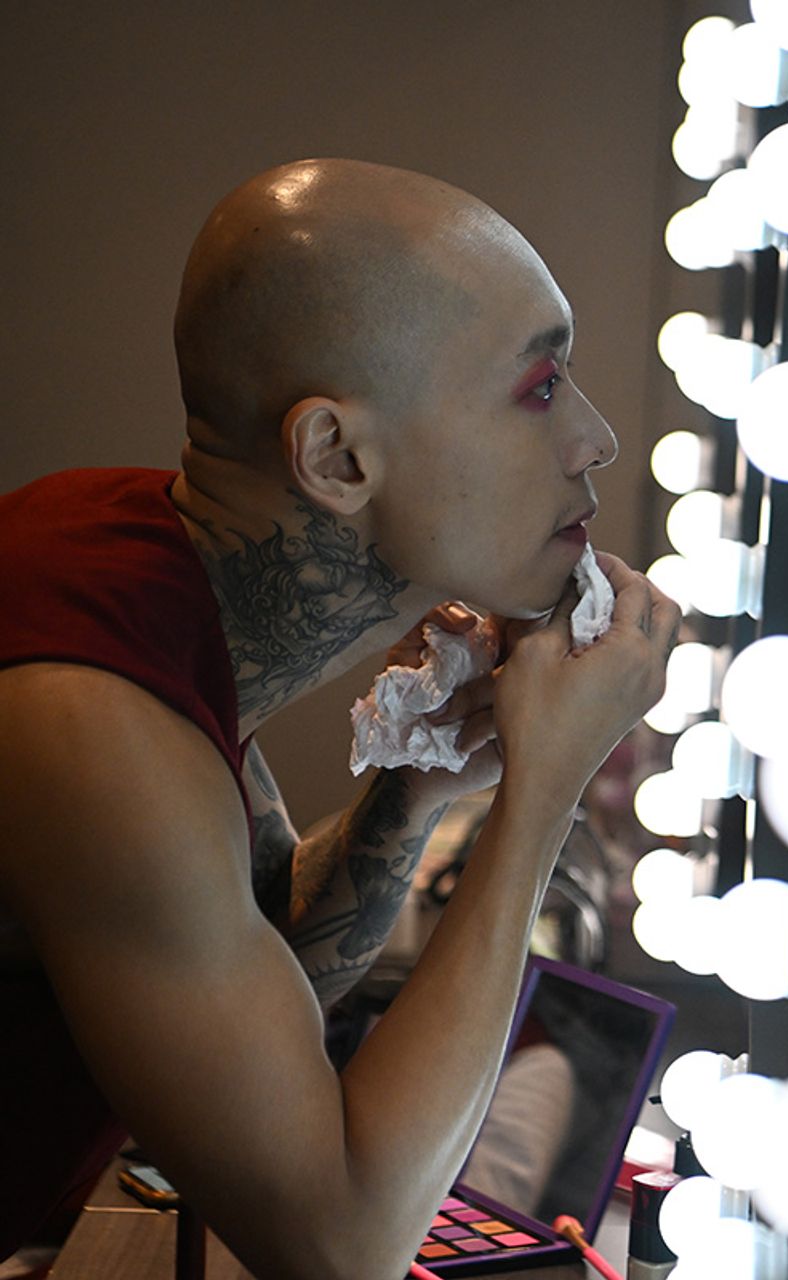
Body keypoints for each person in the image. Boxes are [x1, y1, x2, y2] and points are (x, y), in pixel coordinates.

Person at [0, 158, 682, 1276]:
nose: (597, 437)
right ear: (337, 457)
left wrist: (418, 786)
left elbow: (245, 1002)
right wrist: (542, 797)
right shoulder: (86, 714)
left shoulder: (139, 569)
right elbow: (341, 1241)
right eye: (542, 386)